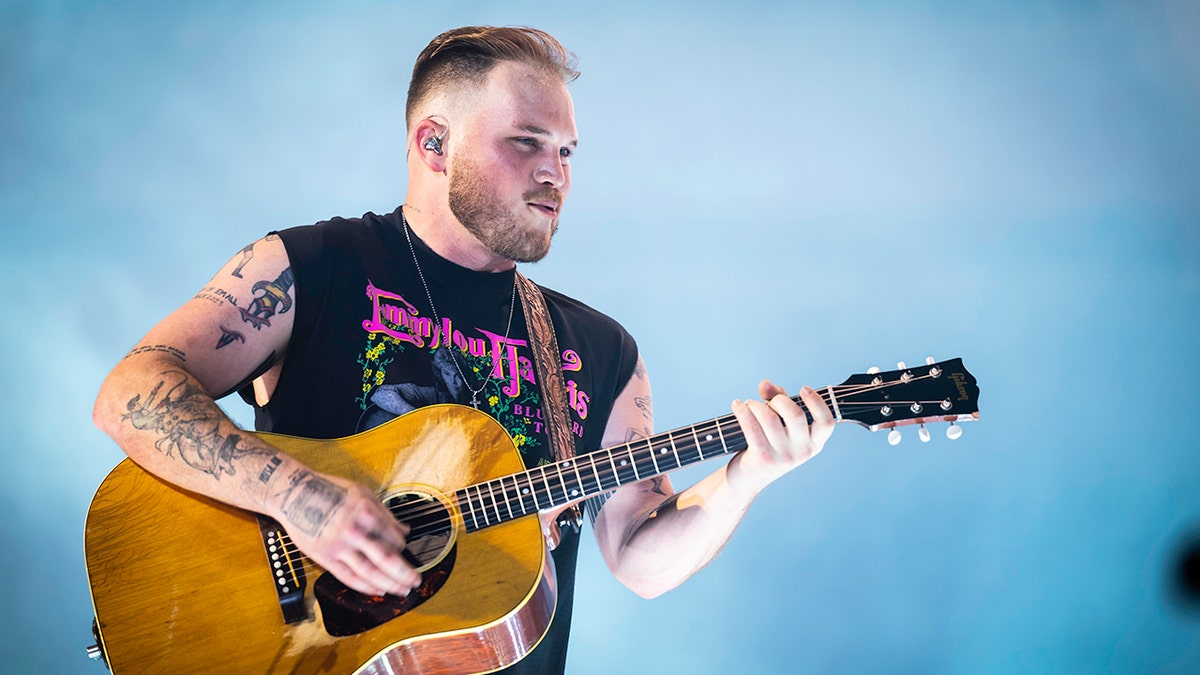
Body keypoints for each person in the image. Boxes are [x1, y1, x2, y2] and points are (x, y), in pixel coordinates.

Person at [92, 25, 836, 673]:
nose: (558, 174)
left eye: (568, 151)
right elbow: (132, 388)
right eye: (526, 142)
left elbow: (638, 556)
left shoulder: (602, 351)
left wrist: (747, 476)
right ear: (434, 143)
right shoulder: (314, 266)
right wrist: (297, 495)